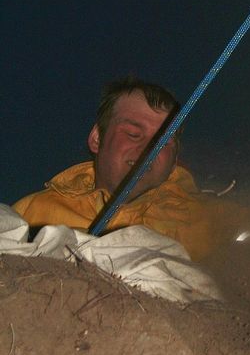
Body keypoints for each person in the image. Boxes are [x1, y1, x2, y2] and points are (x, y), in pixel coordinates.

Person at [14, 77, 224, 261]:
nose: (149, 149)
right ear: (97, 139)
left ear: (174, 160)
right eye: (133, 134)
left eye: (163, 142)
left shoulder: (211, 220)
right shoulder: (32, 212)